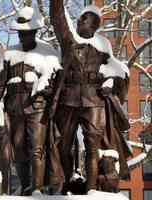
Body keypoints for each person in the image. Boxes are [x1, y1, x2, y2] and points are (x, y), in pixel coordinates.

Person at [49, 1, 132, 194]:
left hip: (94, 102)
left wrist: (110, 82)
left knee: (92, 148)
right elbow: (57, 16)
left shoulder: (103, 47)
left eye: (84, 18)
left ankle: (91, 189)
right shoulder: (69, 39)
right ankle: (66, 185)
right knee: (63, 146)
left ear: (94, 24)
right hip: (68, 100)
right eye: (80, 18)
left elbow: (120, 72)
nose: (79, 20)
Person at [0, 5, 64, 195]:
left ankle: (37, 188)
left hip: (37, 108)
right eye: (20, 34)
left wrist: (47, 89)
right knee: (19, 150)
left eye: (26, 33)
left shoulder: (47, 53)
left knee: (37, 149)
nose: (22, 37)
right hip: (15, 109)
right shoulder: (9, 54)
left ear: (34, 32)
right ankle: (26, 185)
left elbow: (57, 80)